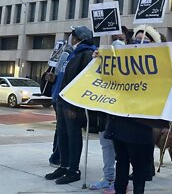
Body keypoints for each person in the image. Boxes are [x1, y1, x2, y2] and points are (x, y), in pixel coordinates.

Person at [105, 25, 167, 194]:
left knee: (139, 167)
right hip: (120, 121)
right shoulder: (122, 60)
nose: (139, 43)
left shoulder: (160, 66)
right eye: (136, 40)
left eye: (145, 41)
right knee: (121, 162)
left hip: (141, 124)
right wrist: (100, 59)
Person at [45, 26, 97, 185]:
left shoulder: (87, 54)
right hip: (61, 100)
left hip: (72, 104)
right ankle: (64, 165)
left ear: (78, 37)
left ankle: (73, 170)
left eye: (72, 34)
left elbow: (84, 81)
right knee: (63, 134)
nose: (70, 37)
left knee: (73, 136)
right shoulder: (72, 53)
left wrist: (76, 106)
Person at [89, 31, 129, 192]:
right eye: (114, 39)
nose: (117, 42)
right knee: (106, 147)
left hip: (123, 116)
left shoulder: (131, 62)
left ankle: (121, 181)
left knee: (122, 153)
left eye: (121, 39)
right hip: (105, 115)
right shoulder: (102, 59)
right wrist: (95, 61)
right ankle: (108, 177)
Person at [47, 43, 73, 168]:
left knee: (61, 129)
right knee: (63, 130)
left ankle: (56, 156)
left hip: (59, 96)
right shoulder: (67, 55)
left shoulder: (70, 55)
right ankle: (57, 157)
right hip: (60, 96)